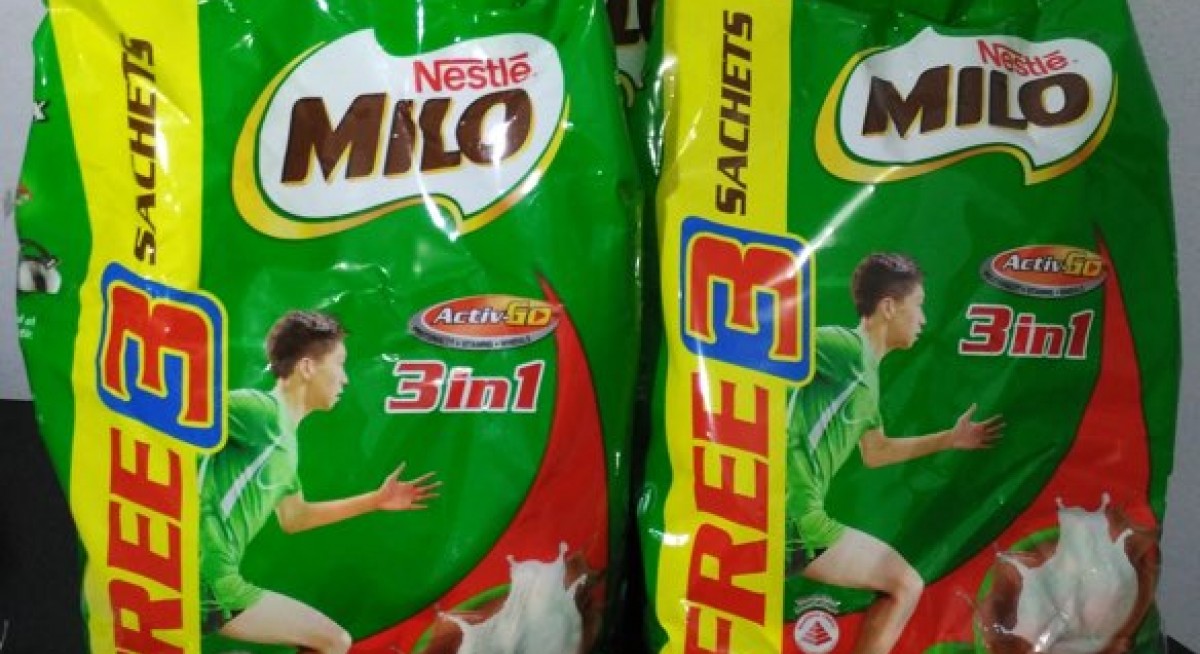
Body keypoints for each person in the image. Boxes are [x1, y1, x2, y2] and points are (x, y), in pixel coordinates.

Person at [786, 253, 1003, 654]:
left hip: (792, 516)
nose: (923, 319)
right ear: (888, 307)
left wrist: (951, 439)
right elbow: (772, 344)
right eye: (918, 305)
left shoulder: (868, 379)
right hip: (795, 517)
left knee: (903, 584)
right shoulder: (846, 347)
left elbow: (876, 452)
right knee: (905, 583)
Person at [199, 310, 440, 653]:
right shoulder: (262, 412)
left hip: (209, 579)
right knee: (334, 641)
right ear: (308, 368)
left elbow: (295, 518)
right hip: (209, 579)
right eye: (340, 364)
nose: (346, 379)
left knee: (329, 641)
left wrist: (376, 500)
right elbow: (183, 409)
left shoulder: (285, 443)